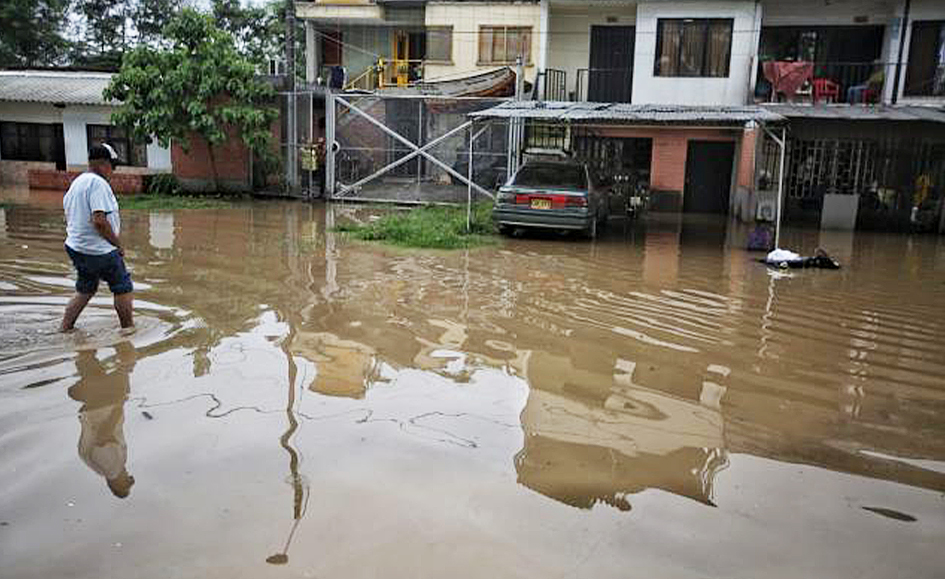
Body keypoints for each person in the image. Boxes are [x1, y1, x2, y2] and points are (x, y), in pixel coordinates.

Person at [60, 143, 134, 332]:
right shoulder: (98, 184)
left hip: (77, 247)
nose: (113, 171)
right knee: (122, 286)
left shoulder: (78, 182)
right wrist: (118, 245)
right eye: (113, 166)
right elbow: (99, 220)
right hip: (99, 250)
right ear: (103, 164)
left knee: (85, 288)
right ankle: (128, 330)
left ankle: (65, 328)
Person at [68, 342, 137, 498]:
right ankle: (75, 335)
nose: (128, 474)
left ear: (118, 483)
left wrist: (119, 406)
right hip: (94, 404)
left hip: (106, 402)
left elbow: (103, 436)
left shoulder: (112, 468)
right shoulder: (97, 467)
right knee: (86, 356)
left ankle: (116, 334)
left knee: (128, 360)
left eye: (127, 480)